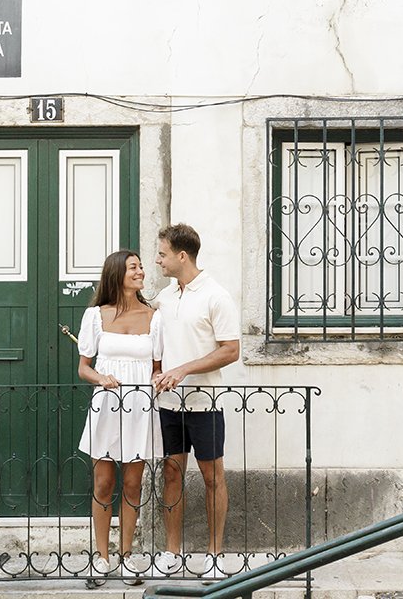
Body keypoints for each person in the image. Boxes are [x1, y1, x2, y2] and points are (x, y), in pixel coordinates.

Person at [150, 223, 242, 579]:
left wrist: (184, 369)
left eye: (162, 254)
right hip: (169, 405)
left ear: (182, 256)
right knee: (171, 475)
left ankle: (215, 554)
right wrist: (158, 369)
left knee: (212, 478)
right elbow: (156, 341)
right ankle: (172, 553)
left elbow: (231, 351)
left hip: (206, 404)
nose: (157, 260)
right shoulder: (165, 296)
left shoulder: (216, 296)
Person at [76, 249, 162, 580]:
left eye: (141, 267)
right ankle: (101, 557)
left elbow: (157, 367)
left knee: (132, 483)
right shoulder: (96, 316)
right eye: (133, 267)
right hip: (107, 406)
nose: (140, 271)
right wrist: (101, 378)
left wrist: (159, 380)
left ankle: (126, 556)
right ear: (117, 274)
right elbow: (84, 368)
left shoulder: (154, 316)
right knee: (103, 481)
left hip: (140, 406)